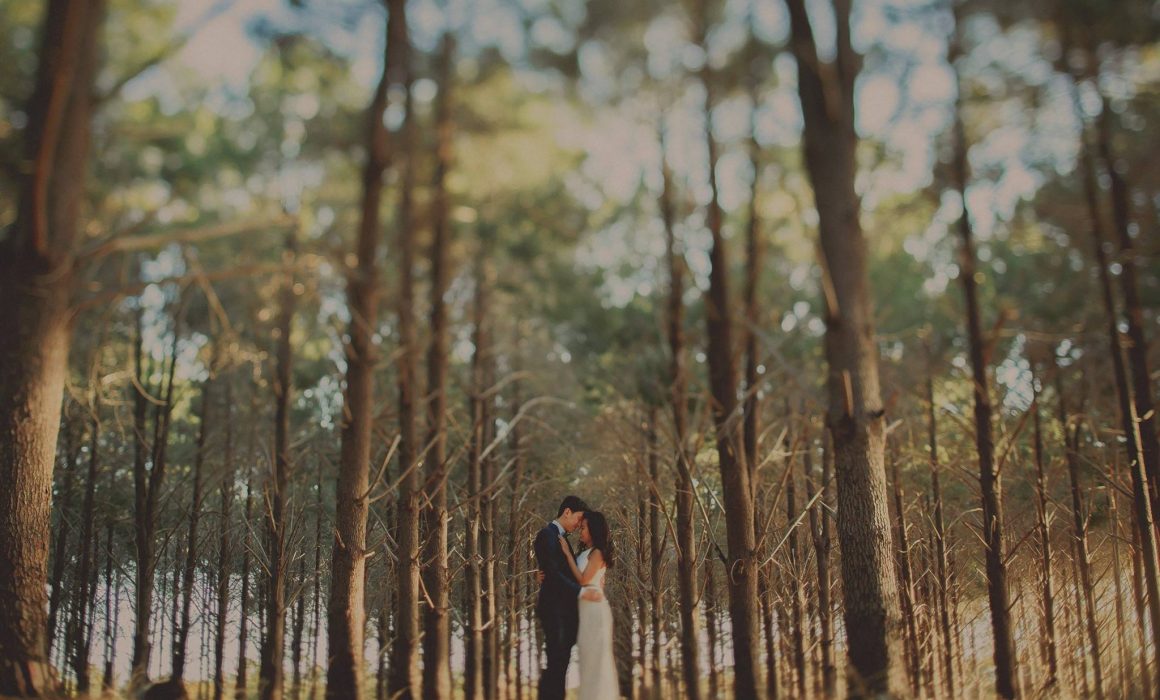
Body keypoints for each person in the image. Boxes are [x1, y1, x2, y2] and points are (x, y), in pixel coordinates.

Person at [533, 496, 602, 700]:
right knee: (556, 663)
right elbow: (553, 573)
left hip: (565, 612)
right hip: (555, 610)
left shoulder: (561, 539)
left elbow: (558, 571)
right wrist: (581, 592)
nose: (579, 524)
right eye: (579, 519)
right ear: (567, 512)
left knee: (559, 664)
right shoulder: (547, 534)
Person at [559, 511, 620, 700]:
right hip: (584, 610)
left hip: (594, 610)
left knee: (597, 662)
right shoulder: (586, 552)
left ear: (594, 529)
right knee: (587, 661)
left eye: (584, 528)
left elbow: (584, 580)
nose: (581, 532)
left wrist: (568, 555)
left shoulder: (598, 552)